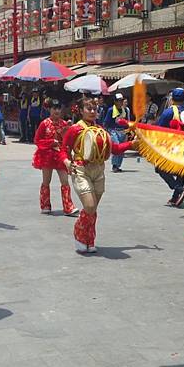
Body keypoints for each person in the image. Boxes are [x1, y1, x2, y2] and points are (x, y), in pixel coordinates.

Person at [60, 96, 135, 253]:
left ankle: (89, 239)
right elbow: (63, 149)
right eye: (89, 109)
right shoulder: (75, 129)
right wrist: (67, 162)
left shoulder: (101, 130)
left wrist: (131, 144)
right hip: (81, 170)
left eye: (95, 109)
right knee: (89, 206)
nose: (93, 111)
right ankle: (80, 233)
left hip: (99, 171)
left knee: (92, 210)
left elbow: (114, 148)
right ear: (81, 111)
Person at [33, 99, 78, 216]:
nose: (56, 111)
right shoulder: (44, 123)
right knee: (46, 181)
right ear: (50, 109)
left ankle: (68, 206)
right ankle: (45, 205)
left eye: (58, 108)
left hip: (60, 156)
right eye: (54, 108)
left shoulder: (64, 124)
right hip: (47, 155)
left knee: (65, 181)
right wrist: (50, 142)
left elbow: (68, 141)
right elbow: (37, 140)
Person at [155, 88, 184, 206]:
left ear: (172, 98)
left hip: (169, 146)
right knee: (180, 171)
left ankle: (178, 189)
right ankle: (176, 197)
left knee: (159, 168)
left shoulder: (167, 112)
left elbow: (159, 130)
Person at [103, 93, 130, 173]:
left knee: (122, 148)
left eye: (121, 100)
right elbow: (106, 122)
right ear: (115, 101)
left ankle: (118, 165)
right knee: (117, 146)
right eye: (118, 100)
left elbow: (127, 122)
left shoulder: (125, 110)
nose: (120, 102)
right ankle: (114, 165)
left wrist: (127, 132)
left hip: (122, 131)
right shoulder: (111, 110)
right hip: (113, 130)